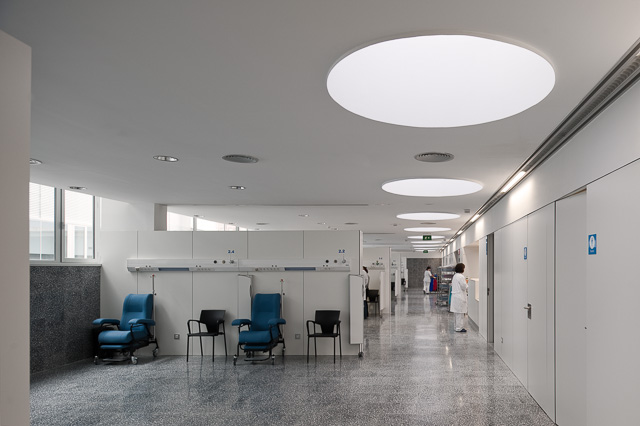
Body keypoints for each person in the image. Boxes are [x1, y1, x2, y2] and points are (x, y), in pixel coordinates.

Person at [450, 263, 468, 332]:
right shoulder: (461, 276)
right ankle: (459, 328)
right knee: (460, 314)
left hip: (455, 297)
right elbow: (464, 287)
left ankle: (456, 327)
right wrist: (467, 285)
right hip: (459, 297)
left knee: (456, 314)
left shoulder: (455, 276)